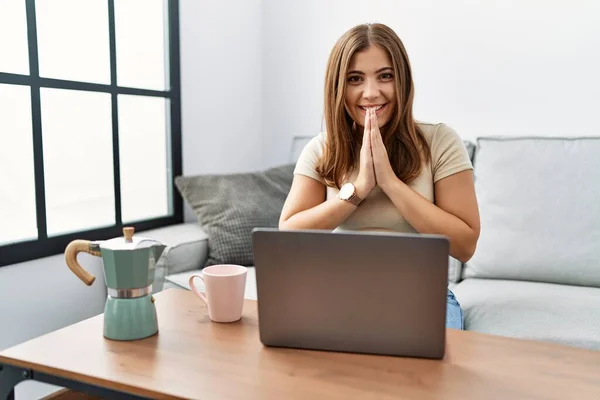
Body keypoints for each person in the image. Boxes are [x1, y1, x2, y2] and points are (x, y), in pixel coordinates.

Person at [278, 23, 481, 330]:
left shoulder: (440, 140)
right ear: (338, 87)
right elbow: (288, 236)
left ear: (403, 81)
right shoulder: (322, 149)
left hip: (422, 295)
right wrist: (358, 189)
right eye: (355, 79)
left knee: (429, 376)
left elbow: (465, 245)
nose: (371, 93)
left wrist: (390, 183)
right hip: (338, 292)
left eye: (385, 76)